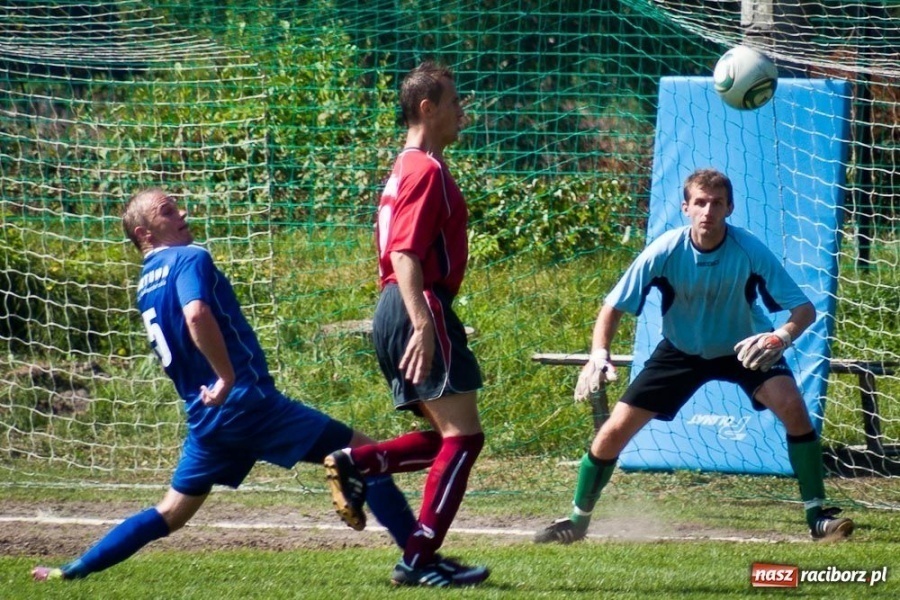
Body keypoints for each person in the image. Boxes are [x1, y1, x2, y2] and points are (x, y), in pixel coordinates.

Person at [32, 188, 420, 582]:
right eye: (167, 211)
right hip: (243, 403)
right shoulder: (190, 256)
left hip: (206, 419)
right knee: (365, 453)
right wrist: (226, 376)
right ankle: (420, 562)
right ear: (144, 234)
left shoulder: (145, 283)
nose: (181, 212)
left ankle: (73, 570)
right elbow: (197, 314)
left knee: (170, 513)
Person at [533, 168, 854, 545]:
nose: (708, 211)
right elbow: (612, 307)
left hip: (744, 348)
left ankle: (818, 516)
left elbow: (803, 310)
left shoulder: (749, 250)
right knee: (614, 432)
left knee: (793, 407)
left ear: (730, 208)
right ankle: (577, 521)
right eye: (700, 202)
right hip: (681, 351)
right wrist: (598, 354)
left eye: (717, 203)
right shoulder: (665, 250)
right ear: (685, 207)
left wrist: (779, 337)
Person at [322, 61, 489, 588]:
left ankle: (358, 464)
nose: (463, 112)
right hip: (416, 303)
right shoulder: (427, 170)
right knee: (463, 439)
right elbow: (404, 252)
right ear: (427, 108)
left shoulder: (404, 166)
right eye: (454, 102)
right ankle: (417, 559)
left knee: (444, 435)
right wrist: (422, 322)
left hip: (396, 305)